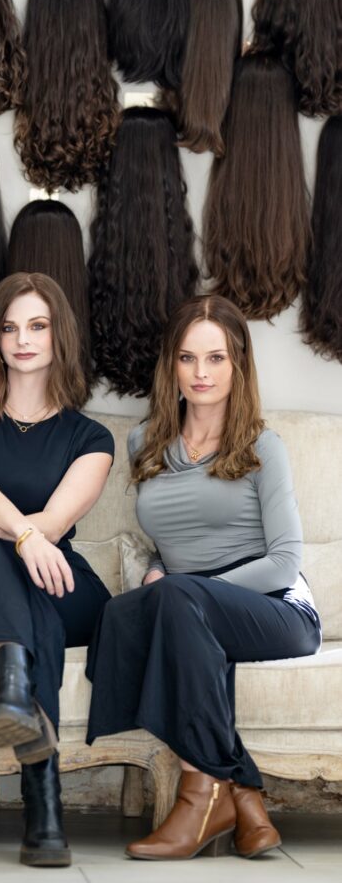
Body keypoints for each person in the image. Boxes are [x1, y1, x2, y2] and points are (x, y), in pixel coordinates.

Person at [86, 294, 322, 860]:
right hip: (186, 606)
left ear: (238, 364)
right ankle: (240, 795)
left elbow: (285, 561)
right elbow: (168, 546)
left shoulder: (263, 446)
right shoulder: (144, 443)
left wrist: (188, 589)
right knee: (119, 613)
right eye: (188, 359)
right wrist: (162, 574)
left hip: (276, 607)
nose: (201, 373)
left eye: (216, 358)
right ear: (172, 365)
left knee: (177, 605)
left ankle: (200, 796)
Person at [0, 272, 114, 867]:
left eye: (38, 326)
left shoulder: (92, 436)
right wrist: (16, 533)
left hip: (63, 581)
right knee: (7, 574)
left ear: (60, 335)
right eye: (10, 327)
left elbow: (54, 523)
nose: (23, 339)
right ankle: (44, 808)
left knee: (5, 553)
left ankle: (11, 684)